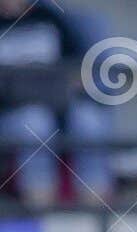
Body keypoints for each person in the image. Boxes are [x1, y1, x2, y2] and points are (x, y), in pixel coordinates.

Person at [0, 2, 114, 207]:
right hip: (11, 111)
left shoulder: (51, 18)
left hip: (58, 104)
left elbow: (79, 67)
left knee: (88, 121)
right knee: (34, 123)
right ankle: (41, 206)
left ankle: (95, 210)